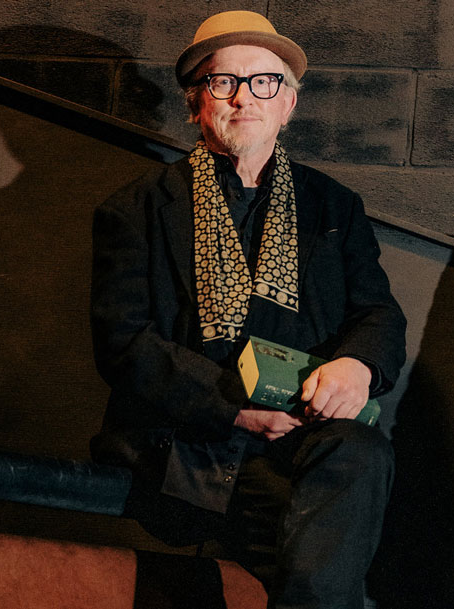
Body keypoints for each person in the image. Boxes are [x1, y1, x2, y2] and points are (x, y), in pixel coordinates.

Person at [89, 10, 406, 608]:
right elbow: (123, 343)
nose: (244, 98)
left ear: (288, 103)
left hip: (300, 438)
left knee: (362, 453)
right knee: (314, 544)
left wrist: (357, 366)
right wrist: (235, 410)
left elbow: (378, 315)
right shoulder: (135, 209)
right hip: (191, 443)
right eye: (224, 82)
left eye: (264, 81)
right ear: (196, 103)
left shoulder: (334, 206)